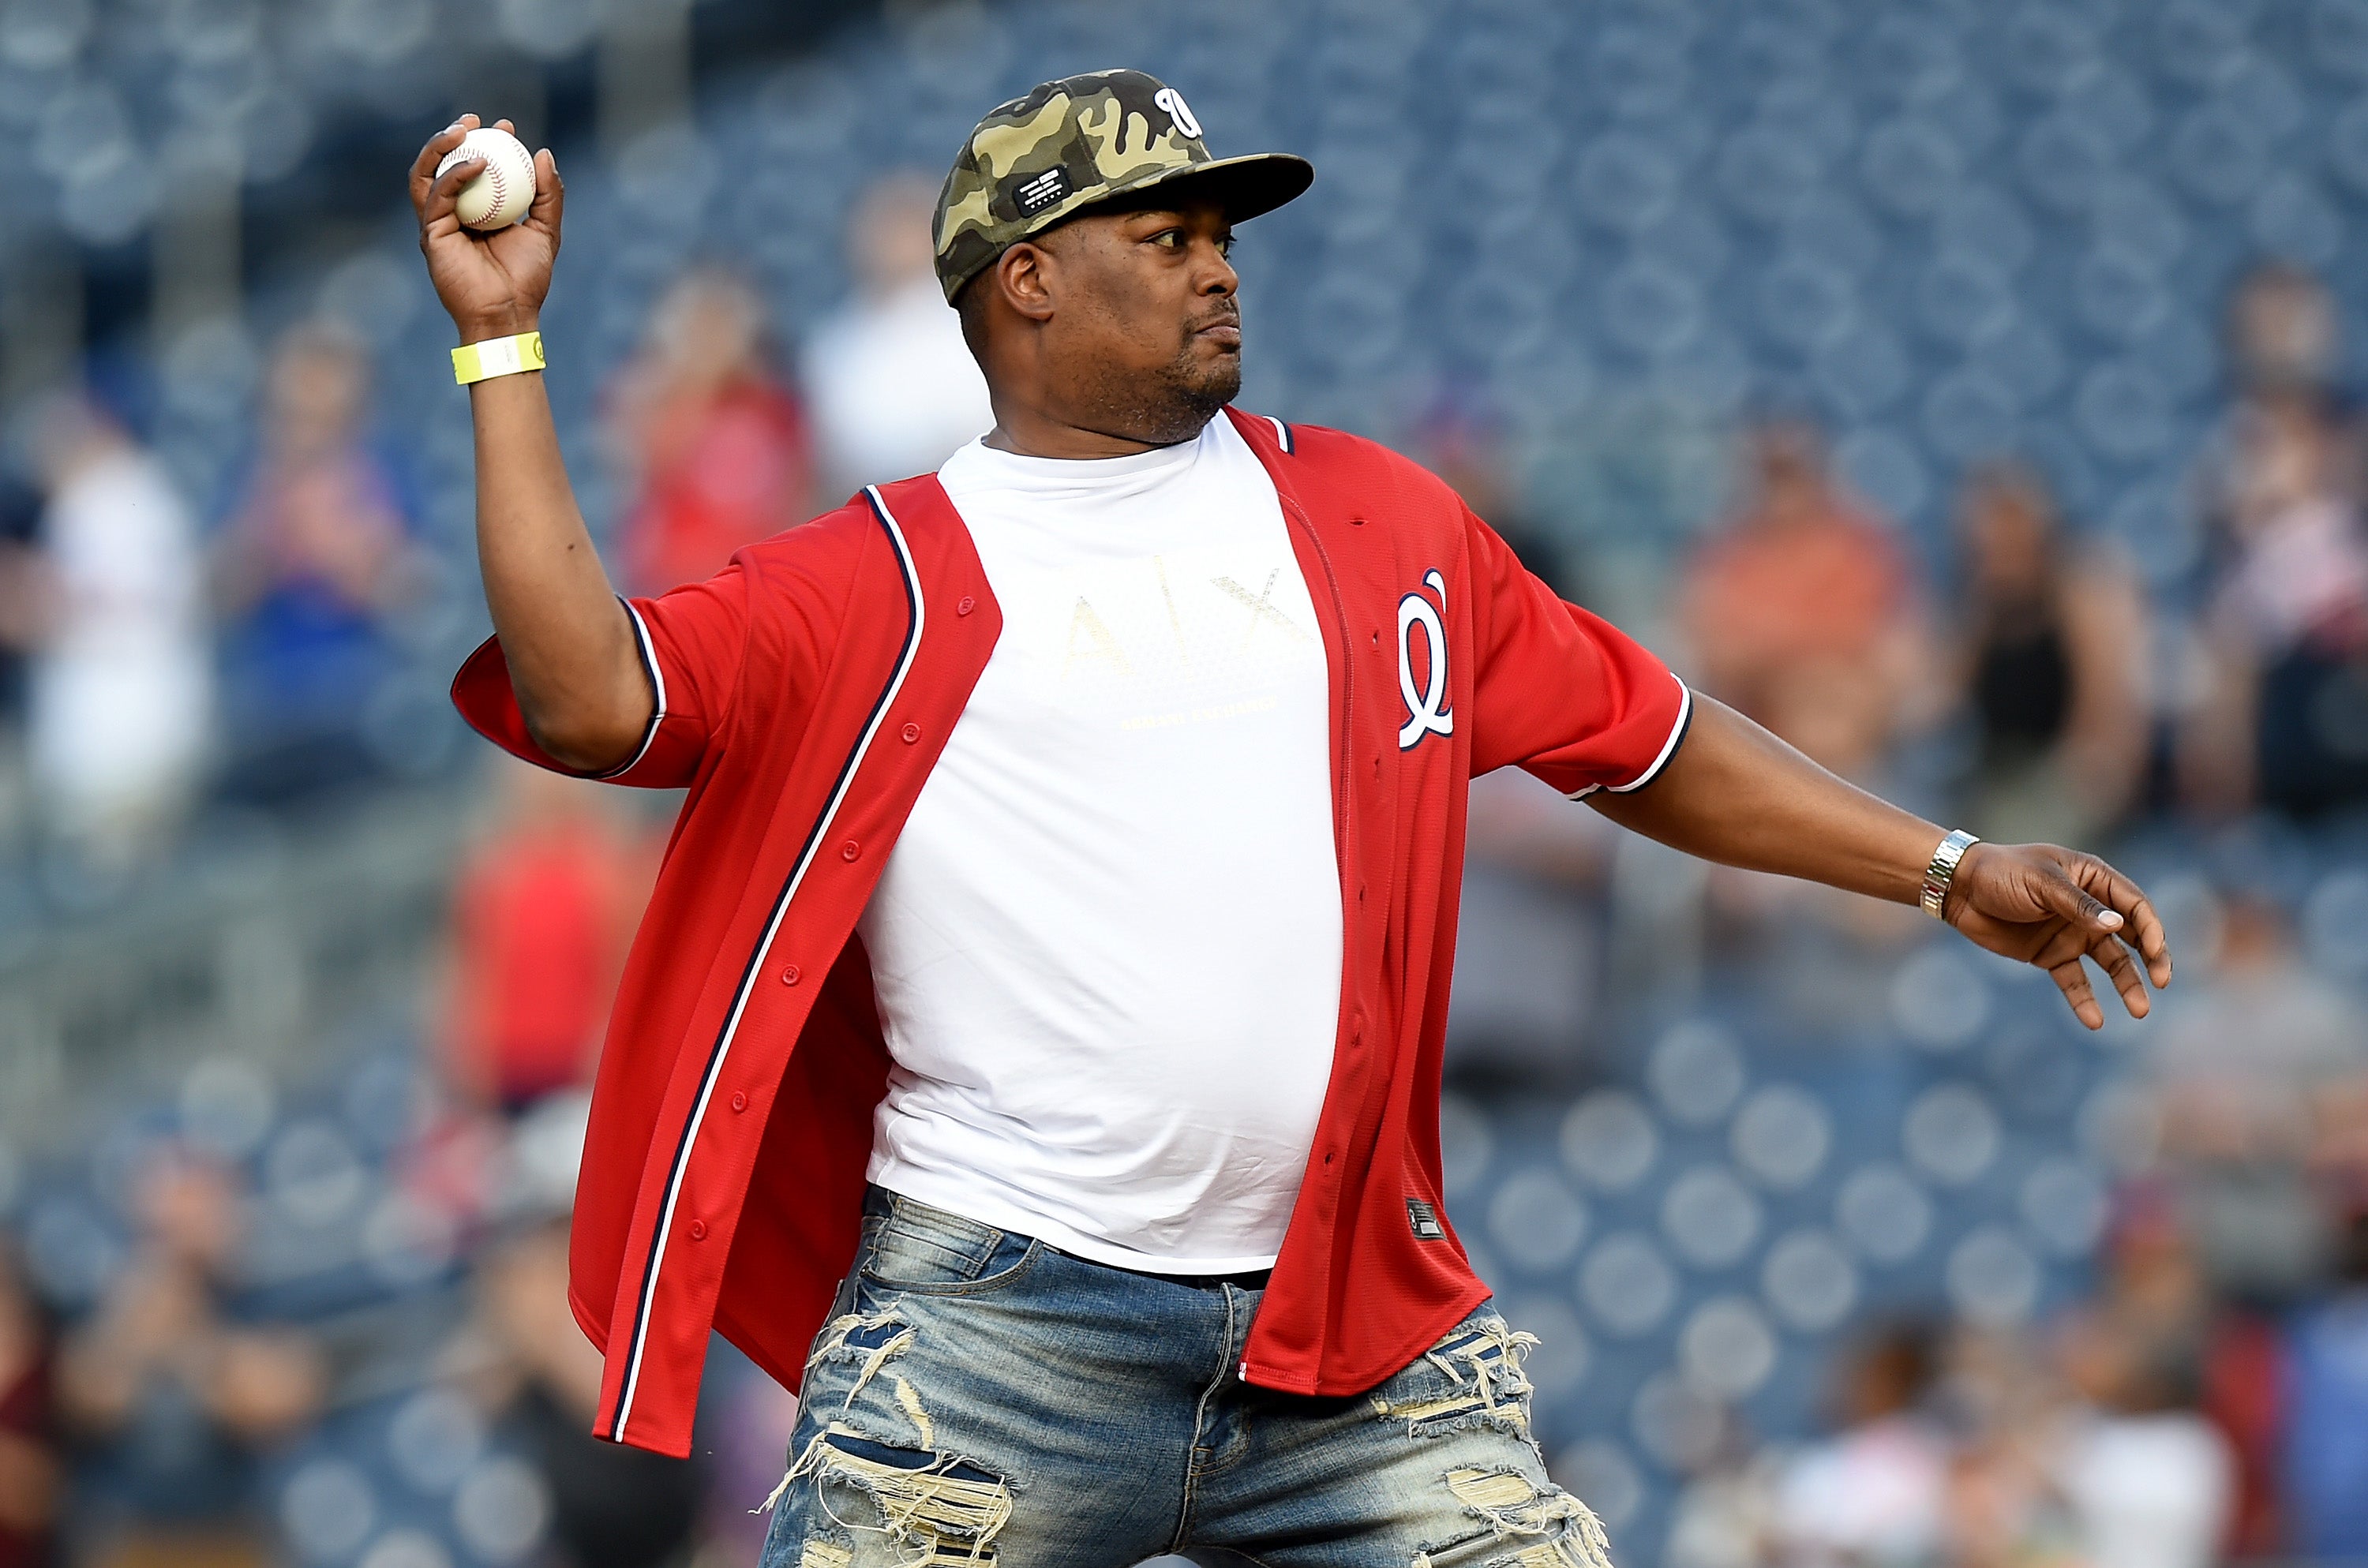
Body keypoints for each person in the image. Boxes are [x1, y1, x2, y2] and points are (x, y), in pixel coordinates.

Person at [409, 74, 2171, 1566]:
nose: (1216, 270)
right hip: (994, 1335)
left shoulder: (1379, 521)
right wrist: (505, 347)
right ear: (1023, 283)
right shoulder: (875, 580)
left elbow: (1644, 738)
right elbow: (588, 696)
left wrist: (1941, 865)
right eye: (1160, 238)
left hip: (1354, 1334)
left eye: (1221, 236)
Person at [212, 322, 422, 799]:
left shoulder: (381, 474)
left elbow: (404, 590)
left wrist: (329, 537)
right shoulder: (254, 480)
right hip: (267, 705)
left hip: (356, 701)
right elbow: (221, 592)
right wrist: (267, 526)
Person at [0, 393, 210, 867]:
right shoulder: (107, 501)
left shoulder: (114, 497)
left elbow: (94, 605)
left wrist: (24, 593)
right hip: (124, 741)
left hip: (126, 742)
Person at [1680, 418, 1935, 783]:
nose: (1784, 492)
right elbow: (1717, 655)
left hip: (1856, 727)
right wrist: (1797, 668)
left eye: (1792, 474)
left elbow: (1899, 653)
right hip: (1758, 735)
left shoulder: (1865, 547)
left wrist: (1810, 667)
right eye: (1772, 476)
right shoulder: (1726, 556)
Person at [1949, 462, 2149, 846]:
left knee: (2021, 835)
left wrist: (2081, 783)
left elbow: (2105, 715)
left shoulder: (2082, 597)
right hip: (1994, 774)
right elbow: (1949, 700)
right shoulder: (1978, 606)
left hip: (2063, 772)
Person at [605, 268, 815, 597]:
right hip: (675, 584)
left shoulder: (775, 406)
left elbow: (801, 495)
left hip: (759, 584)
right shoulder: (657, 401)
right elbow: (641, 464)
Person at [800, 173, 995, 498]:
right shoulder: (833, 341)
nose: (891, 243)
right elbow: (831, 453)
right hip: (868, 504)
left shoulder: (970, 317)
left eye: (903, 228)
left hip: (960, 493)